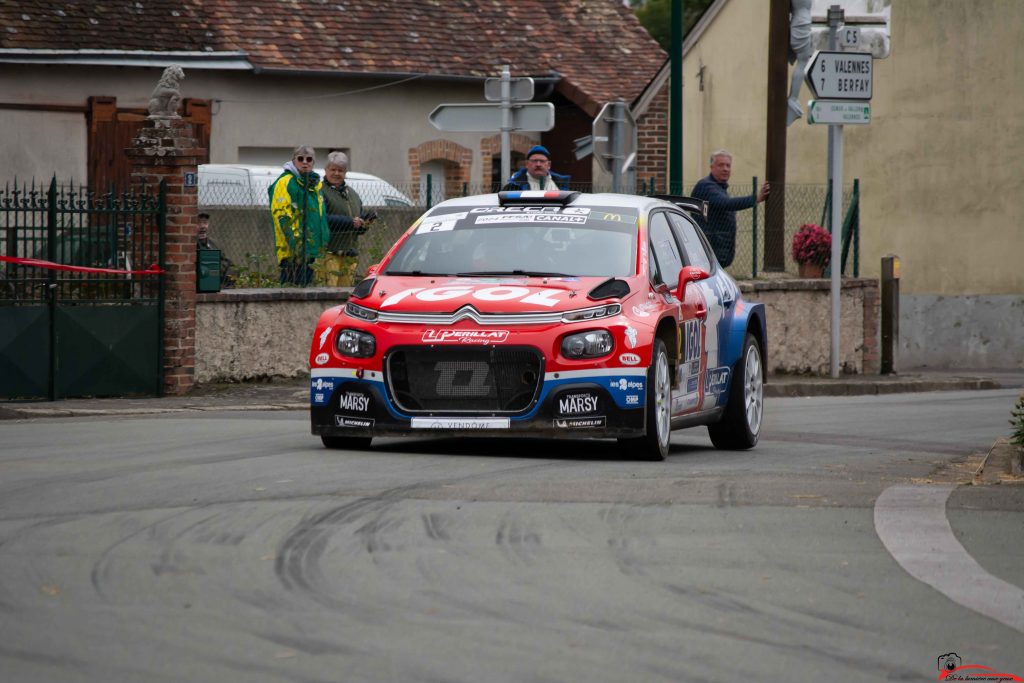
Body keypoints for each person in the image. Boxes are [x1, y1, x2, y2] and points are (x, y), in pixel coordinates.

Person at [690, 150, 770, 268]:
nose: (725, 169)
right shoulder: (706, 186)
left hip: (718, 251)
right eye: (721, 165)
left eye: (728, 165)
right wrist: (755, 198)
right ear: (712, 167)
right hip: (707, 250)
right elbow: (726, 203)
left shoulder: (719, 188)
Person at [269, 145, 329, 285]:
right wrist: (296, 245)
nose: (305, 162)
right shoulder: (285, 182)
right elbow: (282, 216)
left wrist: (324, 237)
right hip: (292, 252)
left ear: (313, 162)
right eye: (300, 158)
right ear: (293, 160)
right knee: (290, 291)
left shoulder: (315, 185)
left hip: (312, 250)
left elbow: (321, 215)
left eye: (309, 159)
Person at [320, 151, 375, 287]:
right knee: (328, 293)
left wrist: (365, 223)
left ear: (345, 172)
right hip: (329, 253)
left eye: (341, 170)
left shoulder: (353, 194)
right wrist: (350, 223)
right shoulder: (319, 190)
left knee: (345, 295)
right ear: (326, 170)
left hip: (350, 255)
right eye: (333, 169)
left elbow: (358, 227)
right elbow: (321, 218)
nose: (337, 173)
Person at [502, 145, 571, 191]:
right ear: (527, 164)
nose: (538, 164)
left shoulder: (563, 184)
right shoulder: (513, 187)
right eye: (534, 161)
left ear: (549, 164)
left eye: (542, 161)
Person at [196, 212, 236, 287]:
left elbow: (229, 264)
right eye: (198, 223)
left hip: (217, 280)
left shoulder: (214, 244)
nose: (202, 226)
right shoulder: (187, 245)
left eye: (205, 223)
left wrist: (224, 282)